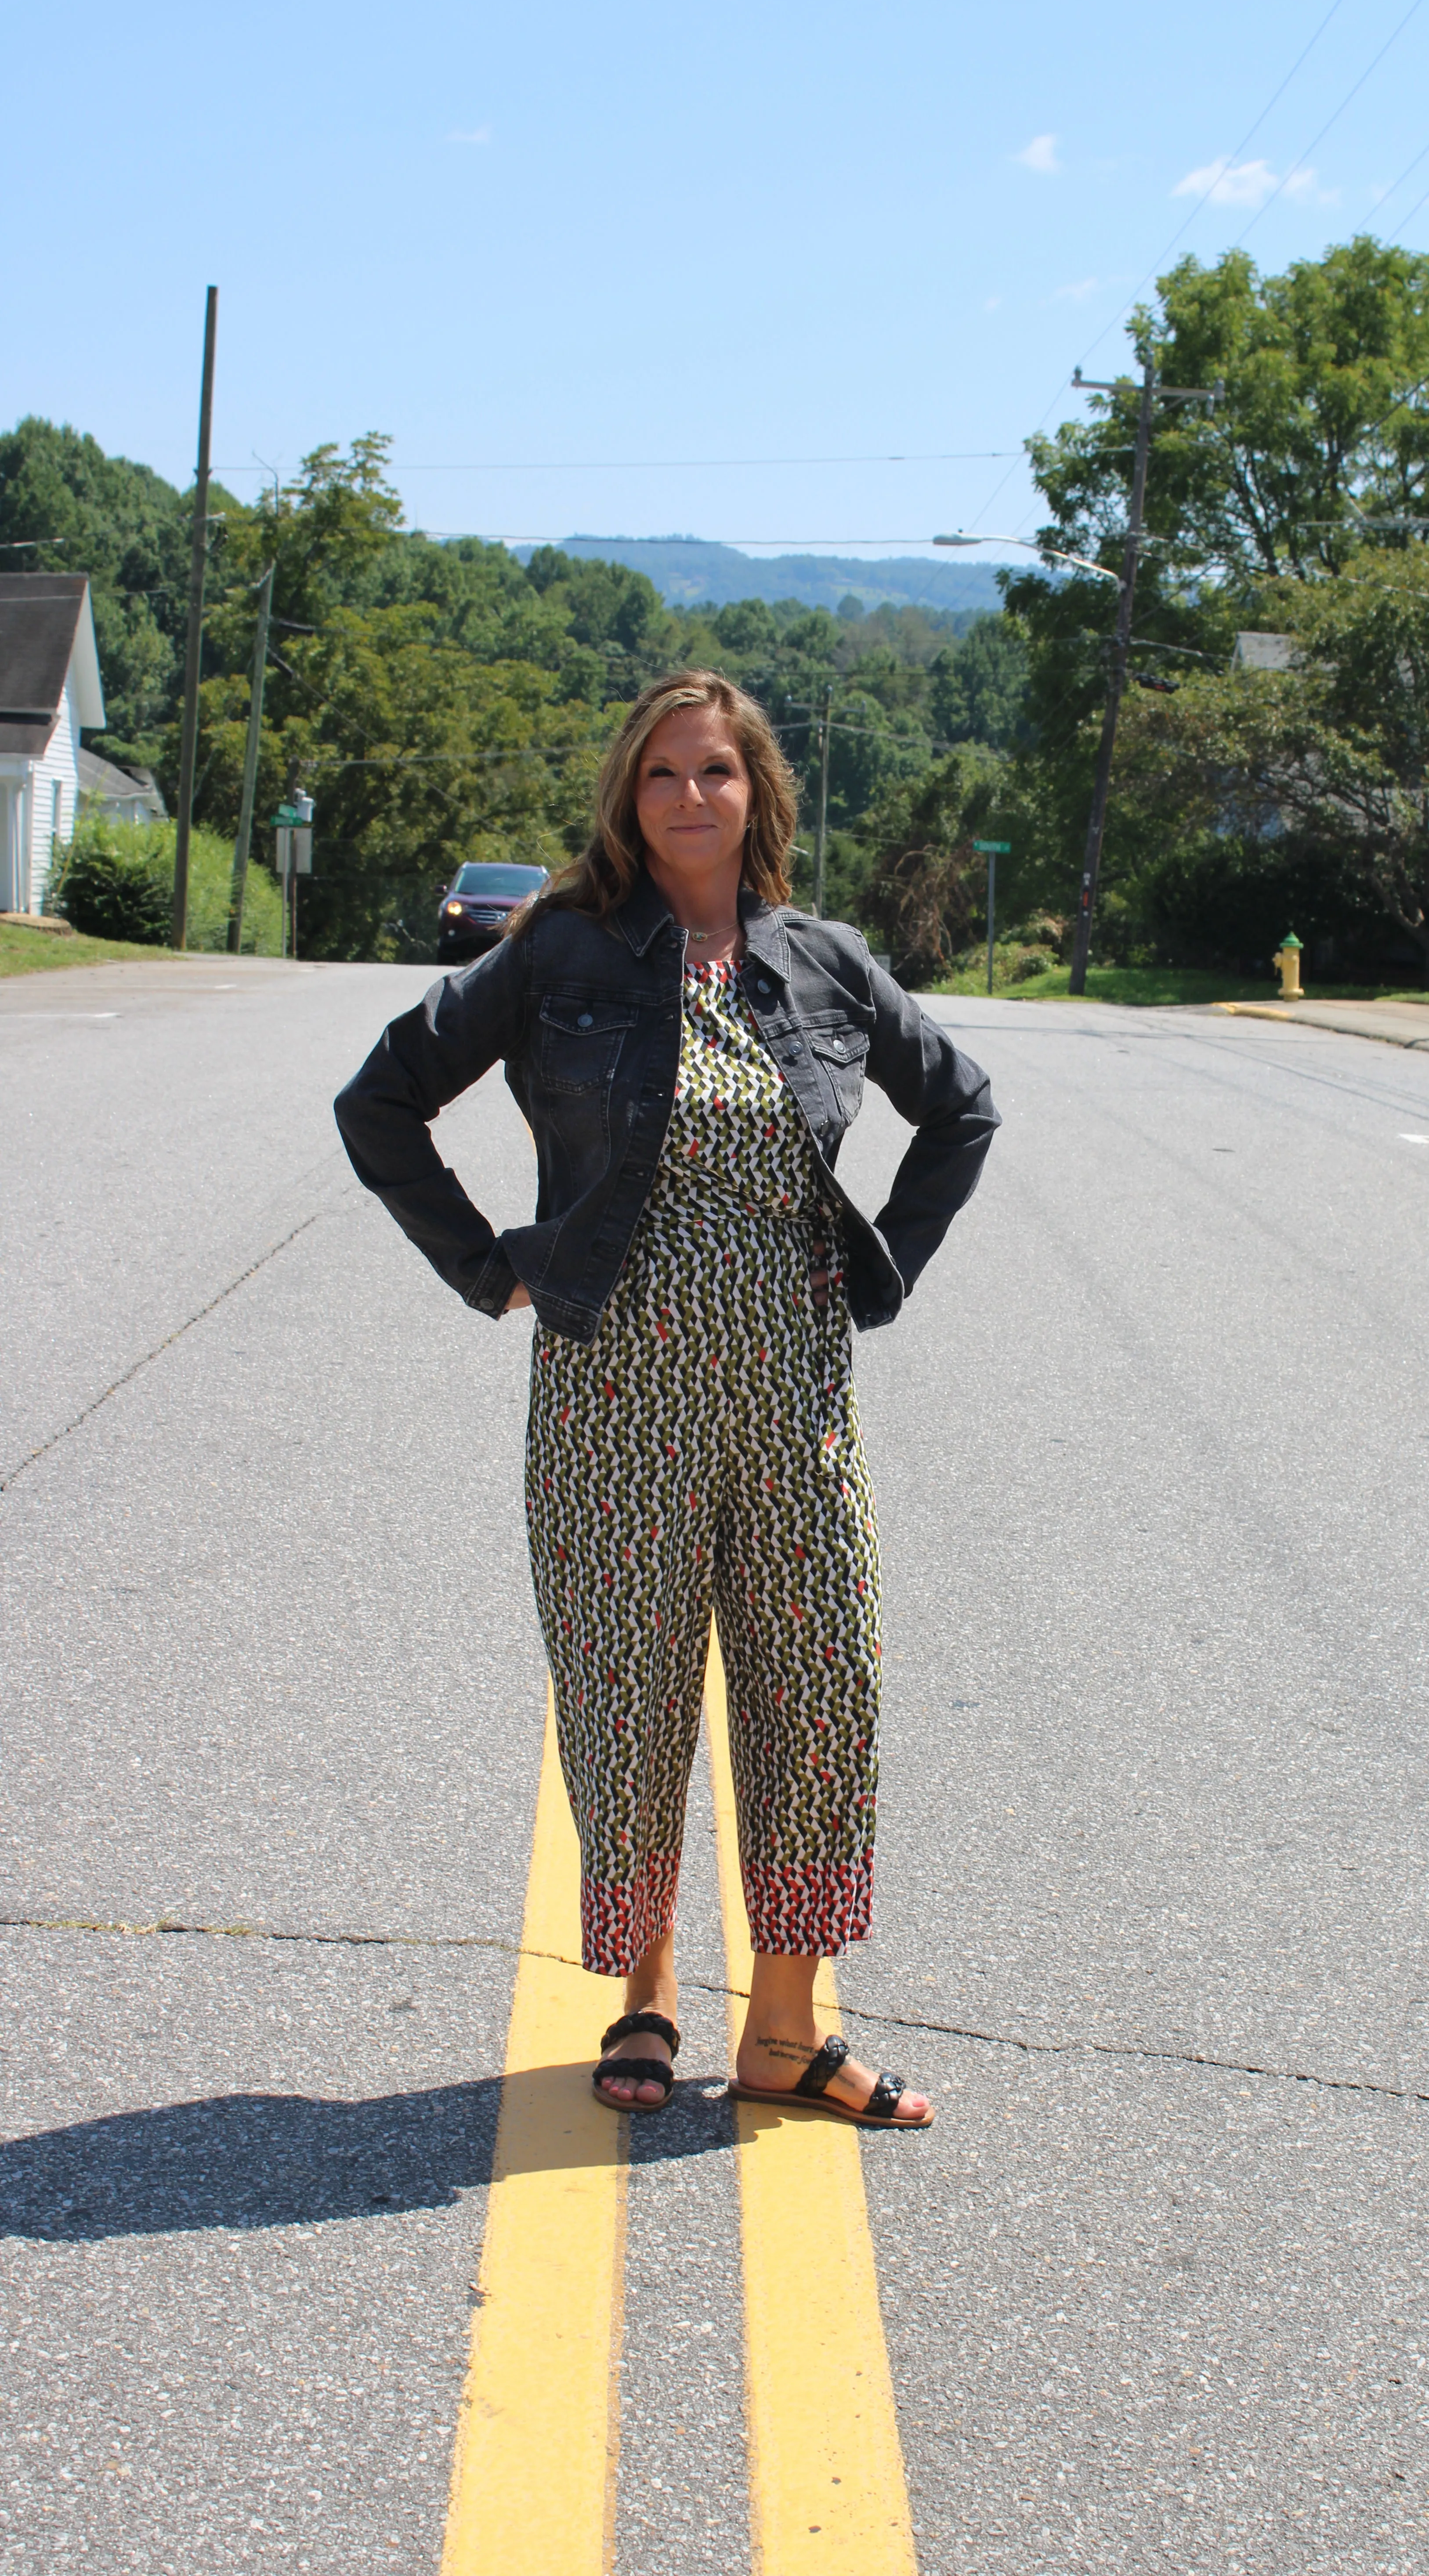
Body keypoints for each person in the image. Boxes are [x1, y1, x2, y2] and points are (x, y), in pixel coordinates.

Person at [335, 669, 998, 2127]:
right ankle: (641, 2003)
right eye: (662, 774)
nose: (690, 796)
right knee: (628, 1702)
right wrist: (488, 1263)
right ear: (627, 798)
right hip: (608, 1400)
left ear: (759, 791)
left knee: (818, 1693)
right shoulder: (560, 951)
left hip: (795, 1404)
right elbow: (380, 1100)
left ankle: (782, 2029)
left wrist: (879, 1273)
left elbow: (963, 1105)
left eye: (716, 771)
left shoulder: (820, 961)